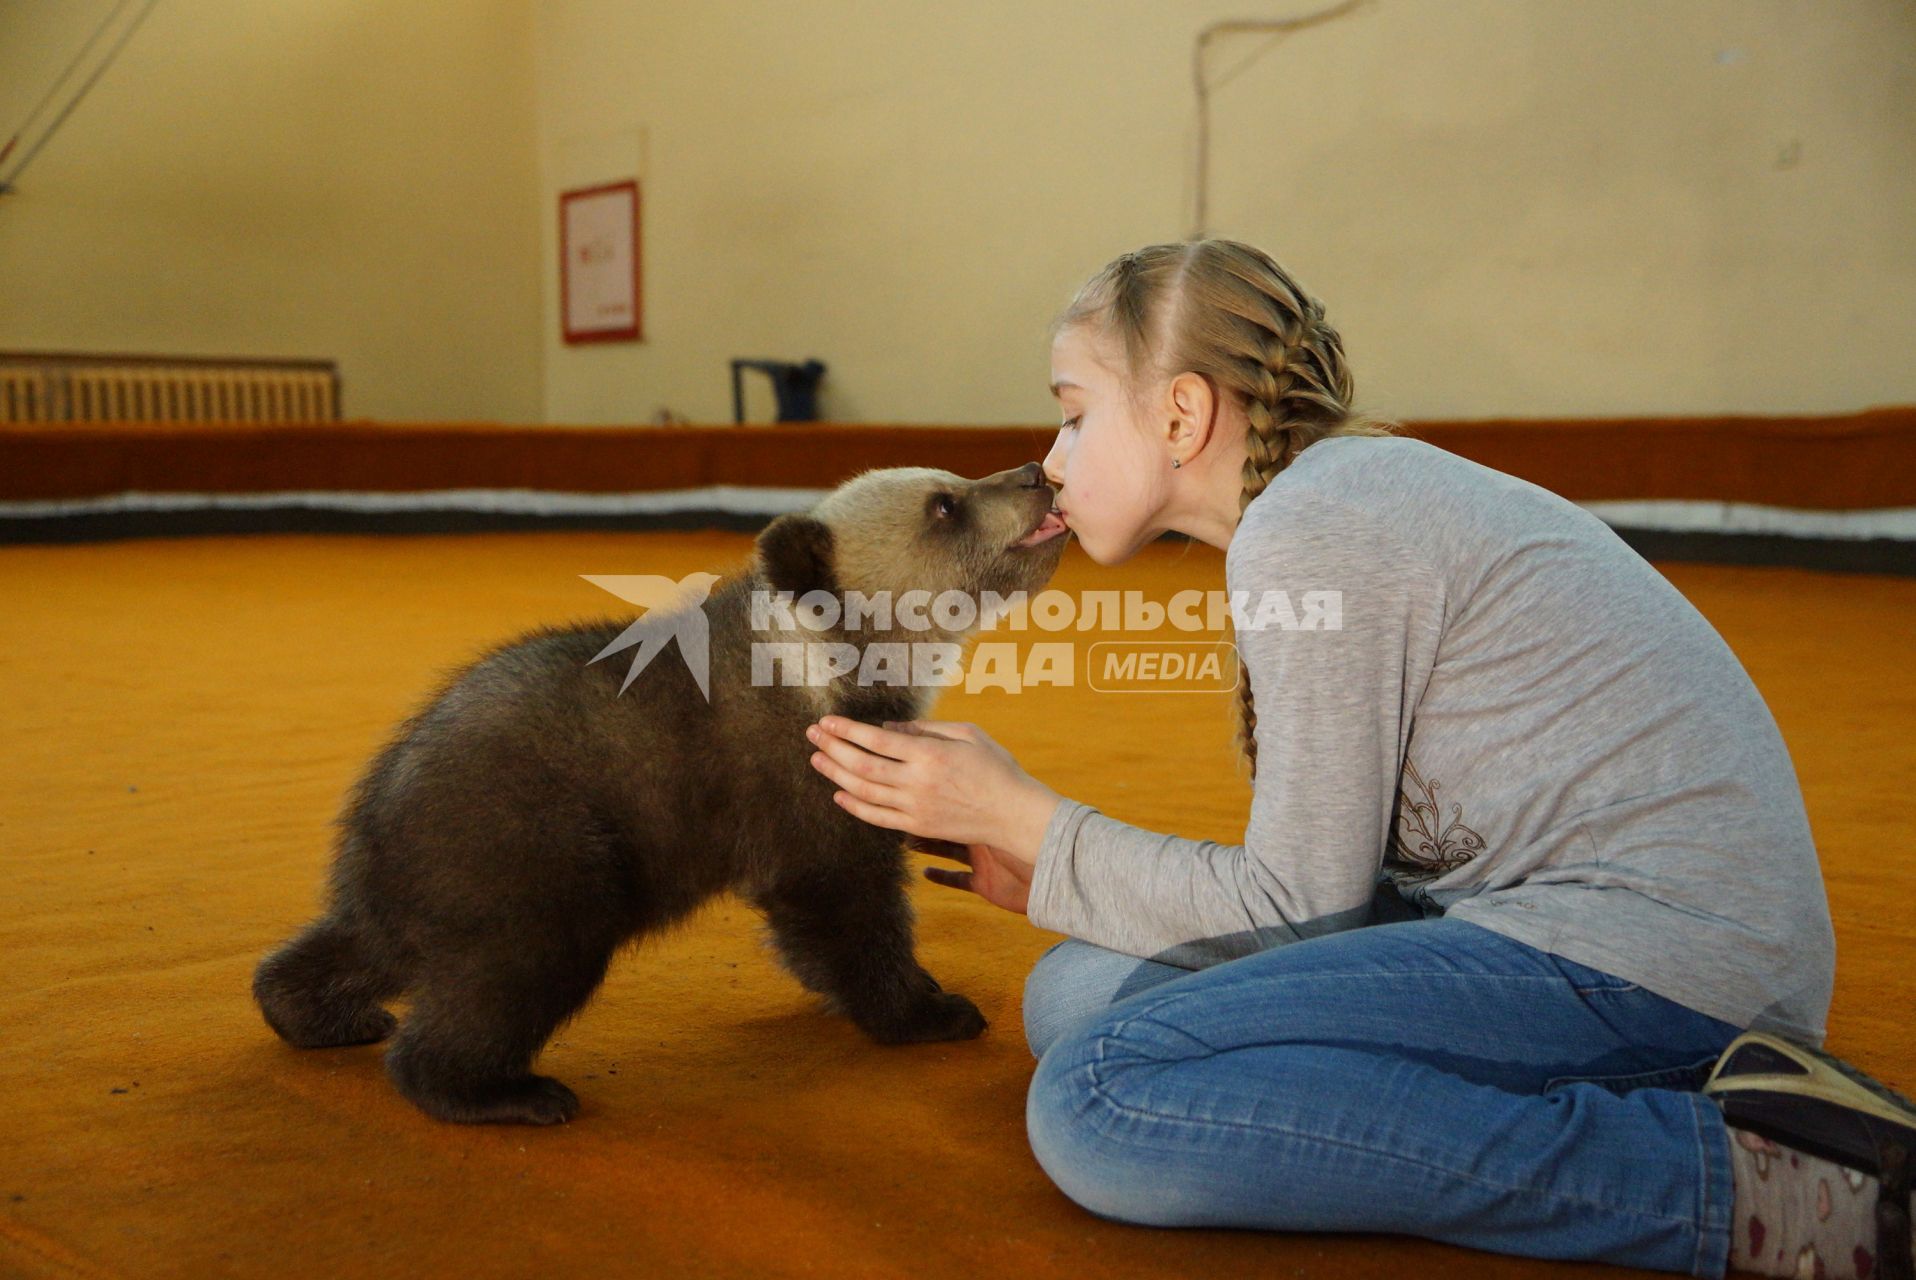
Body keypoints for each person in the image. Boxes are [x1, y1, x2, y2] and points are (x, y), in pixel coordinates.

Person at [801, 238, 1913, 1279]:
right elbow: (1317, 893)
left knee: (1099, 1096)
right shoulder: (1327, 501)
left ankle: (1750, 1183)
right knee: (1074, 994)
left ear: (1182, 412)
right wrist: (1049, 869)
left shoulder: (1313, 528)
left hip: (1662, 961)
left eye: (1074, 416)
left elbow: (1297, 903)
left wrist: (1031, 823)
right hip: (1558, 925)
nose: (1050, 460)